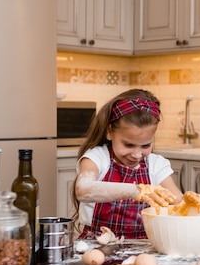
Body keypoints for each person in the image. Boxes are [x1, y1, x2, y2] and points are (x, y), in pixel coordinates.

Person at [73, 88, 183, 240]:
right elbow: (83, 189)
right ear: (110, 131)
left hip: (144, 246)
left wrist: (187, 203)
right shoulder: (98, 158)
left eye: (145, 146)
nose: (137, 154)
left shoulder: (156, 165)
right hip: (96, 245)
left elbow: (177, 201)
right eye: (129, 145)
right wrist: (136, 191)